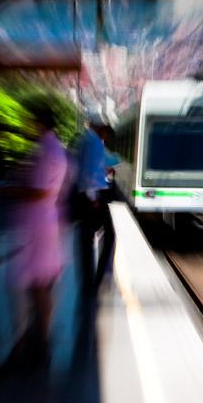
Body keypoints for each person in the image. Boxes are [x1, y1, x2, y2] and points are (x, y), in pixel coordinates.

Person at [7, 106, 69, 366]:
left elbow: (40, 191)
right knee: (40, 282)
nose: (28, 126)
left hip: (39, 224)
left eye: (30, 121)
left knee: (39, 283)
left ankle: (41, 340)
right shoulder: (54, 149)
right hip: (44, 222)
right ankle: (41, 337)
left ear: (39, 122)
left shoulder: (46, 152)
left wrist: (9, 191)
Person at [73, 114, 115, 298]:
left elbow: (86, 169)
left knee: (87, 238)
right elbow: (89, 173)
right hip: (92, 198)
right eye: (105, 131)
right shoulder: (95, 142)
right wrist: (94, 199)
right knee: (109, 235)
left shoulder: (85, 140)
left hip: (86, 197)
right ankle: (96, 279)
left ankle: (89, 280)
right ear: (101, 128)